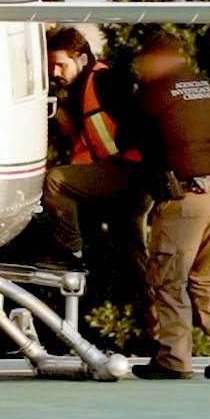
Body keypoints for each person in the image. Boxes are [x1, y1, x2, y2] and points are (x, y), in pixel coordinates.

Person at [130, 32, 210, 380]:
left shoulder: (155, 92)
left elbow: (131, 138)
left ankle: (173, 358)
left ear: (157, 58)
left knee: (168, 277)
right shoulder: (207, 88)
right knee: (208, 276)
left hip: (187, 197)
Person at [41, 27, 145, 271]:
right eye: (51, 67)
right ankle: (145, 293)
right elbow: (77, 135)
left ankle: (69, 255)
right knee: (129, 253)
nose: (55, 73)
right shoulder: (81, 89)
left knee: (56, 181)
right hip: (120, 174)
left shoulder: (106, 80)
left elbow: (140, 119)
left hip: (127, 172)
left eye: (61, 65)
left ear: (82, 58)